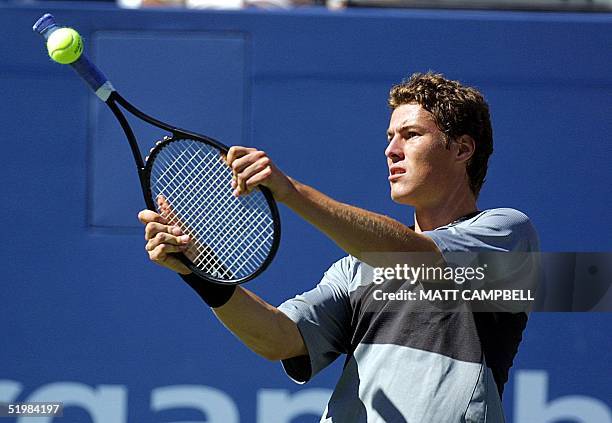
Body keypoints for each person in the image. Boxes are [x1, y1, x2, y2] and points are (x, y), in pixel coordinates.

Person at [137, 72, 539, 422]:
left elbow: (416, 257)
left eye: (411, 135)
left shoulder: (506, 233)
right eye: (389, 137)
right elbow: (277, 338)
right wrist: (199, 271)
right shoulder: (354, 269)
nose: (391, 150)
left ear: (462, 149)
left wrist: (291, 192)